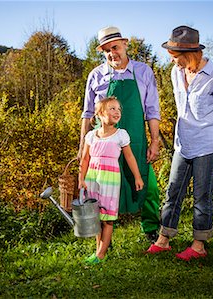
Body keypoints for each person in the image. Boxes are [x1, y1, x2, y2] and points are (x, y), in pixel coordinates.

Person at [146, 25, 213, 261]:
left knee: (202, 195)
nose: (173, 62)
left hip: (208, 143)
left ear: (191, 55)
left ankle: (198, 246)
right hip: (183, 143)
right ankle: (164, 238)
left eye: (176, 57)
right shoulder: (177, 72)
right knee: (173, 189)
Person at [79, 26, 161, 242]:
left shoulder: (143, 72)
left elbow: (152, 110)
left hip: (135, 140)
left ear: (125, 44)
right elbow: (87, 114)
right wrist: (82, 148)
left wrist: (155, 141)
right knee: (99, 190)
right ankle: (102, 239)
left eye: (115, 47)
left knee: (148, 187)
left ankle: (151, 229)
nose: (111, 53)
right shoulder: (96, 76)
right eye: (106, 50)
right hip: (103, 146)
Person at [79, 96, 144, 265]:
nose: (117, 112)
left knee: (107, 217)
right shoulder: (91, 136)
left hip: (110, 180)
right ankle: (99, 251)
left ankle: (101, 254)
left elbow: (129, 157)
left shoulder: (121, 135)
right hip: (93, 178)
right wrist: (81, 179)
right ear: (100, 114)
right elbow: (85, 159)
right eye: (112, 109)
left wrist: (137, 176)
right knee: (95, 216)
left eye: (119, 109)